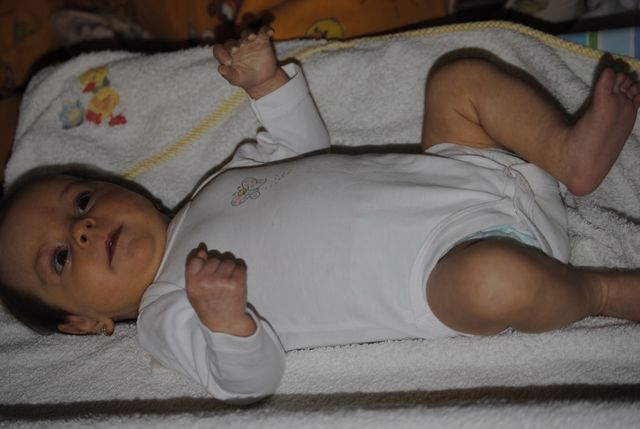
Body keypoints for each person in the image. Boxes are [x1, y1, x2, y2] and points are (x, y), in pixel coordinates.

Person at [1, 26, 639, 403]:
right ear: (83, 324)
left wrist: (266, 86)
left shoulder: (212, 189)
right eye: (59, 258)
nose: (82, 229)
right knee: (494, 282)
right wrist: (228, 324)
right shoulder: (165, 311)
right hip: (449, 267)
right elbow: (248, 382)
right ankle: (601, 291)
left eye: (80, 201)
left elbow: (300, 147)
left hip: (473, 171)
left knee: (457, 79)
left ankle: (567, 154)